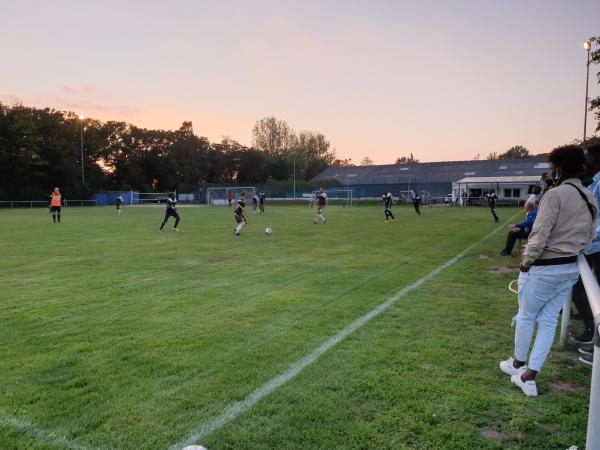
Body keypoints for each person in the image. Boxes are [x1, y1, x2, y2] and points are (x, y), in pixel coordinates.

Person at [499, 145, 597, 397]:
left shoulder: (555, 195)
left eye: (552, 168)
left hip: (545, 268)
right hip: (569, 268)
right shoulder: (589, 196)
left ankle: (519, 365)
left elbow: (539, 235)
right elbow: (588, 236)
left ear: (559, 169)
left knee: (526, 316)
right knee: (548, 320)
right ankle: (530, 374)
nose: (551, 173)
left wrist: (525, 263)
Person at [570, 143, 600, 349]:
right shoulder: (594, 181)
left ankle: (592, 331)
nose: (585, 162)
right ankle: (591, 329)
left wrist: (582, 239)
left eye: (588, 157)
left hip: (595, 244)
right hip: (593, 243)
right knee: (579, 284)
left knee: (579, 284)